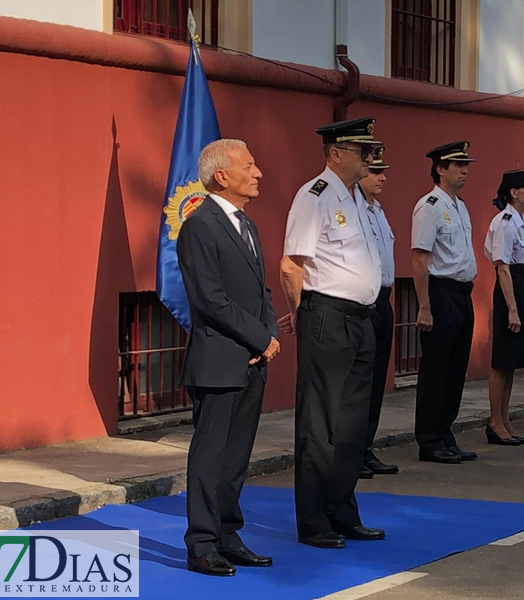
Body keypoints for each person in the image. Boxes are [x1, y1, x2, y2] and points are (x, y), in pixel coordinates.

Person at [279, 118, 385, 549]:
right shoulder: (315, 196)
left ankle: (343, 510)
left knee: (352, 425)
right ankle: (314, 519)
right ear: (336, 153)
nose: (370, 158)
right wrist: (302, 314)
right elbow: (292, 265)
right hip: (327, 315)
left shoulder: (358, 199)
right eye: (363, 151)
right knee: (320, 423)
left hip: (362, 319)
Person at [178, 139, 278, 576]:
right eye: (249, 166)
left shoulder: (247, 225)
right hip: (219, 361)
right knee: (210, 456)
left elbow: (261, 290)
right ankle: (201, 542)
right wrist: (260, 337)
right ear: (222, 175)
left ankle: (227, 533)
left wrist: (269, 333)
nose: (257, 173)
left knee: (237, 456)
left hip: (252, 359)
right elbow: (210, 299)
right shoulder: (199, 226)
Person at [411, 141, 480, 463]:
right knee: (436, 369)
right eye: (458, 165)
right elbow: (420, 259)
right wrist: (424, 306)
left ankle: (445, 432)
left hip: (462, 292)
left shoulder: (459, 205)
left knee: (455, 369)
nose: (465, 170)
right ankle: (428, 438)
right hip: (440, 292)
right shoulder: (430, 206)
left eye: (466, 165)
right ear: (440, 169)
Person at [484, 169, 524, 445]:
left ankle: (505, 418)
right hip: (511, 286)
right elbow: (502, 266)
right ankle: (495, 421)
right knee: (503, 359)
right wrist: (513, 308)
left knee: (513, 361)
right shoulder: (505, 221)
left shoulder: (520, 220)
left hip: (523, 283)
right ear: (513, 192)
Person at [356, 146, 401, 478]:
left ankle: (365, 446)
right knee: (360, 381)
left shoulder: (379, 211)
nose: (382, 177)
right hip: (363, 304)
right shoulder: (354, 210)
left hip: (384, 301)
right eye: (376, 171)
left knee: (376, 383)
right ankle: (352, 450)